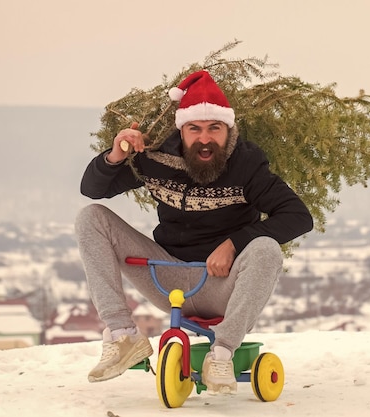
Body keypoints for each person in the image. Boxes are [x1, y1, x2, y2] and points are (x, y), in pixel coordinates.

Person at [75, 70, 313, 394]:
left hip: (222, 284)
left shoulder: (246, 164)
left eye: (214, 128)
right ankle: (122, 335)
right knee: (91, 218)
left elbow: (299, 216)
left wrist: (234, 244)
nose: (204, 139)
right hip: (167, 276)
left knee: (267, 249)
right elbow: (92, 189)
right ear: (181, 130)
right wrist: (116, 154)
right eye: (194, 129)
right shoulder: (155, 158)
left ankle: (223, 354)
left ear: (227, 129)